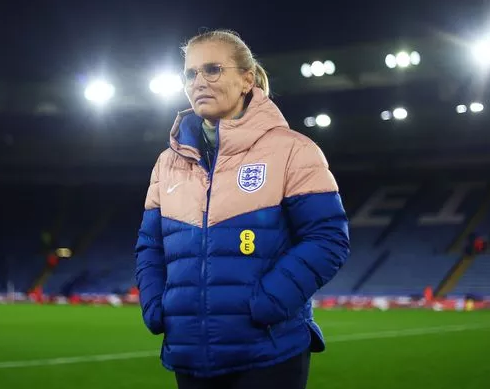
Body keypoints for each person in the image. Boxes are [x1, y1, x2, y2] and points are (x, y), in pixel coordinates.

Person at [135, 29, 350, 389]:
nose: (199, 81)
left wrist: (265, 303)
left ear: (247, 79)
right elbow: (149, 246)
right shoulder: (166, 163)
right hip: (189, 352)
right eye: (191, 73)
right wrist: (159, 306)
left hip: (268, 351)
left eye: (213, 69)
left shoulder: (293, 150)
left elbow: (328, 238)